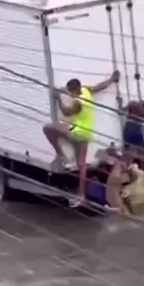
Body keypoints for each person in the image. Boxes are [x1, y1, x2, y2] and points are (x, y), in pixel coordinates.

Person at [43, 70, 120, 204]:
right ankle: (81, 194)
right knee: (81, 164)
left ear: (74, 91)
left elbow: (66, 113)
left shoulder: (78, 102)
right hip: (87, 133)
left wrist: (58, 98)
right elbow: (100, 86)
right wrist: (112, 79)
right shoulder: (86, 90)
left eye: (70, 92)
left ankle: (60, 154)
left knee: (48, 128)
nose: (70, 95)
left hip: (77, 132)